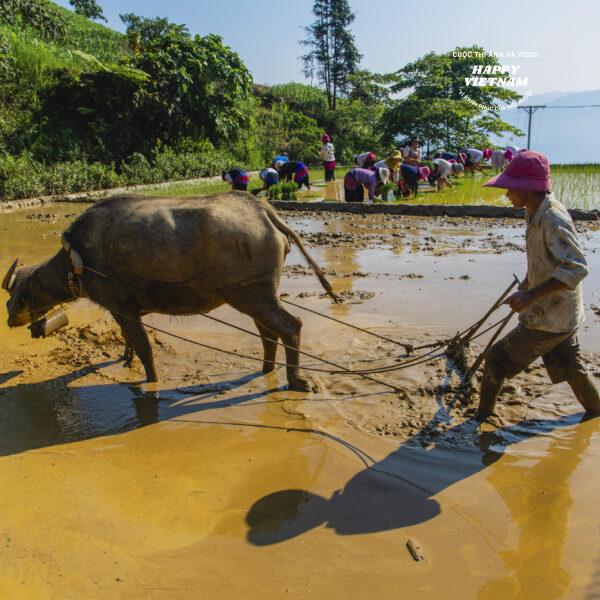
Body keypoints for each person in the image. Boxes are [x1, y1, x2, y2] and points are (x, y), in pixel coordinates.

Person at [475, 151, 600, 420]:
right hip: (562, 315)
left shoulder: (553, 218)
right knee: (572, 368)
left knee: (496, 360)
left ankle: (479, 422)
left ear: (526, 189)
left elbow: (576, 267)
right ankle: (597, 414)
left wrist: (531, 295)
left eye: (510, 188)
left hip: (548, 317)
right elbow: (549, 259)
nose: (507, 194)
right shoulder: (536, 212)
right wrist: (528, 283)